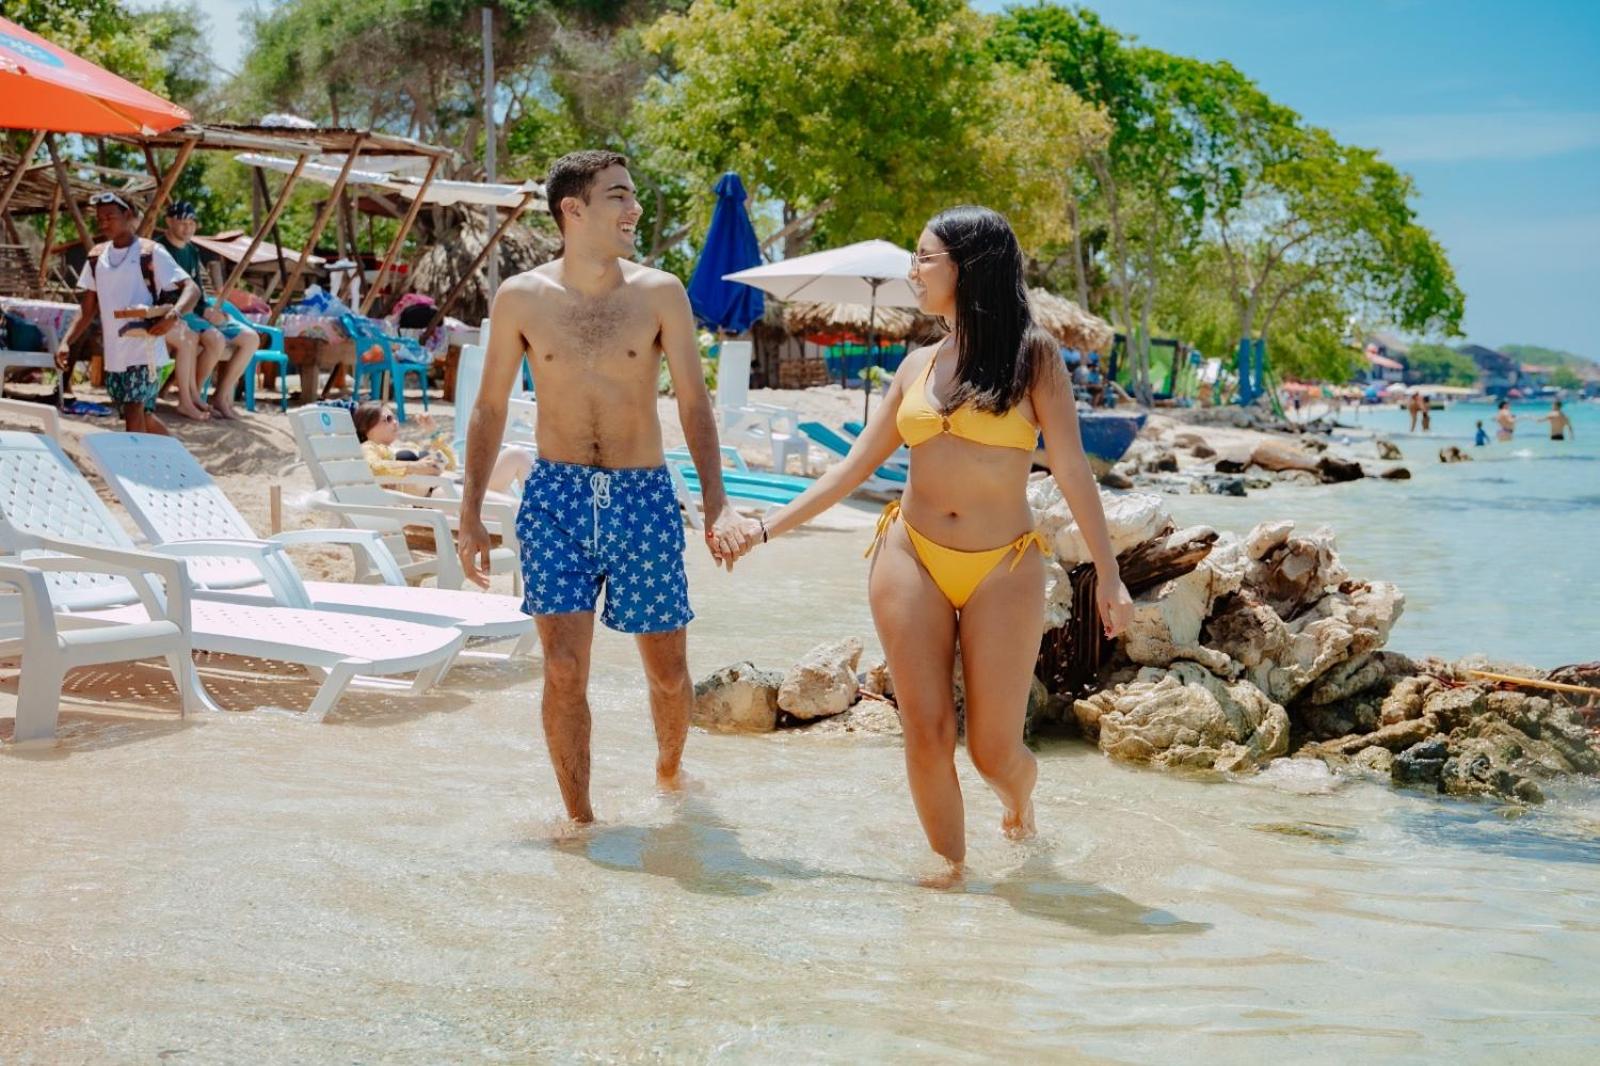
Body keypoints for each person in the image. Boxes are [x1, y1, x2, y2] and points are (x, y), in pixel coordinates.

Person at [727, 205, 1135, 877]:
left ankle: (1020, 799)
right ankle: (949, 878)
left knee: (993, 754)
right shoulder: (916, 364)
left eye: (923, 257)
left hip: (1004, 566)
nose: (912, 270)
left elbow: (1071, 471)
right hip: (910, 555)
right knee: (926, 730)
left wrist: (1110, 576)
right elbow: (851, 469)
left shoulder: (1033, 359)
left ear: (968, 268)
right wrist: (764, 527)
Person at [456, 150, 747, 824]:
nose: (634, 209)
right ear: (573, 209)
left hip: (643, 497)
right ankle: (580, 822)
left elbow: (694, 404)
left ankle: (669, 773)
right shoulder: (521, 297)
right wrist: (469, 512)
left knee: (669, 674)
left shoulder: (660, 293)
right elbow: (489, 408)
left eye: (632, 195)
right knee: (562, 669)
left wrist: (718, 502)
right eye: (618, 195)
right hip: (554, 498)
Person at [53, 192, 199, 436]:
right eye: (100, 218)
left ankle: (135, 461)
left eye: (110, 216)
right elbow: (87, 310)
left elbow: (191, 289)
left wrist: (172, 317)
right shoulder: (96, 257)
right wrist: (66, 341)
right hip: (115, 355)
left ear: (128, 215)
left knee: (133, 411)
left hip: (146, 351)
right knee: (143, 416)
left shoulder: (151, 251)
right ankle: (176, 454)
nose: (103, 222)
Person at [158, 201, 261, 420]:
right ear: (168, 221)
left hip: (197, 311)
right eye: (182, 222)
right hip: (177, 311)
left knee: (251, 338)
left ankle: (220, 397)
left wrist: (208, 310)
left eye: (191, 223)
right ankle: (193, 398)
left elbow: (198, 290)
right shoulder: (160, 249)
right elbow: (165, 291)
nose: (188, 228)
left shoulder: (192, 250)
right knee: (215, 339)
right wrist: (200, 311)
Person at [352, 402, 532, 495]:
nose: (395, 422)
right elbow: (371, 467)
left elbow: (450, 465)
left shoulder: (407, 446)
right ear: (366, 427)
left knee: (517, 455)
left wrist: (433, 432)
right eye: (387, 419)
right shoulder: (369, 448)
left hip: (460, 483)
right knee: (517, 509)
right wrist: (416, 467)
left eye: (395, 417)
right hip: (442, 492)